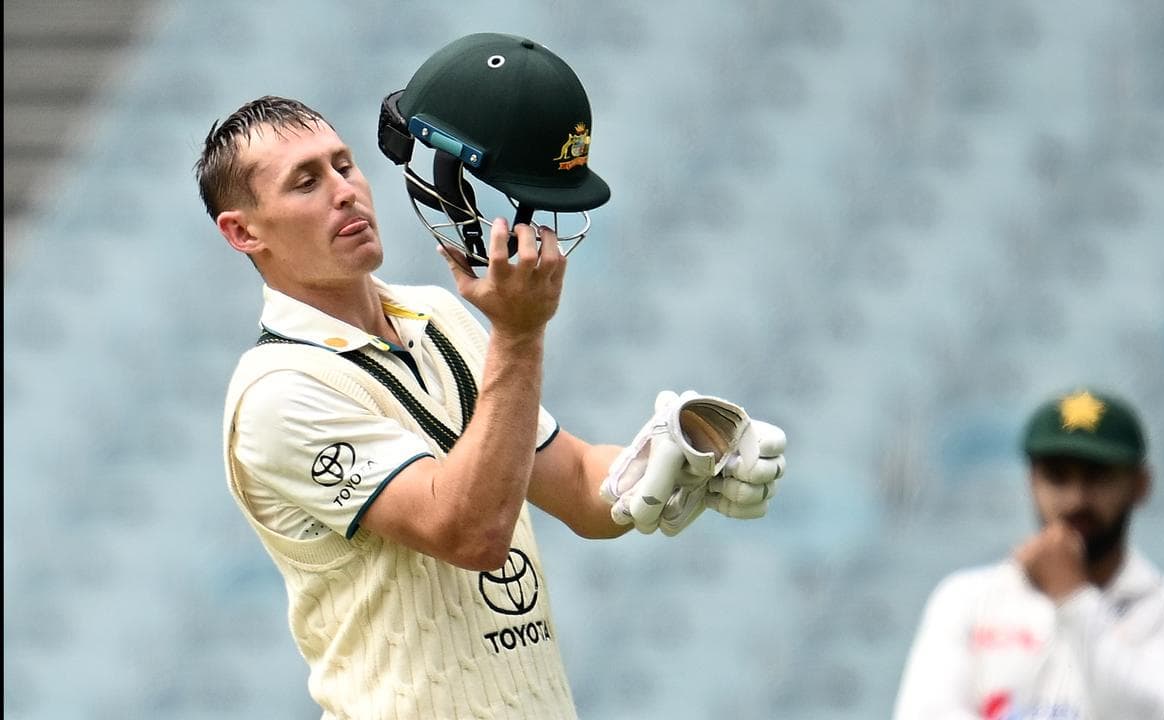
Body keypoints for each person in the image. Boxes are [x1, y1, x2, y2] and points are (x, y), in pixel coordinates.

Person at [197, 33, 786, 720]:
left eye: (345, 165)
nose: (346, 193)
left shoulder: (438, 313)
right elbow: (470, 532)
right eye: (306, 181)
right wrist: (519, 332)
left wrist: (676, 454)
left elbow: (574, 485)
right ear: (243, 234)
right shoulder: (278, 393)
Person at [892, 387, 1164, 720]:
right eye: (1057, 477)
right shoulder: (965, 598)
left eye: (1098, 477)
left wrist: (1073, 597)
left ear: (1140, 485)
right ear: (1032, 482)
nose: (1076, 498)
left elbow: (1162, 715)